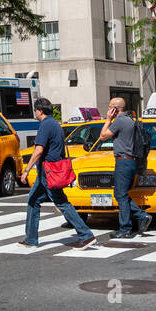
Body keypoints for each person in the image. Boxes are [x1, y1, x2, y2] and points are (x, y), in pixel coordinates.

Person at [20, 98, 97, 249]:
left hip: (49, 172)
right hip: (51, 170)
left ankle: (86, 235)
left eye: (35, 110)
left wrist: (27, 169)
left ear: (40, 111)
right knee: (33, 201)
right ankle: (30, 239)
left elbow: (39, 150)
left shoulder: (45, 125)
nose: (34, 112)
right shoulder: (55, 124)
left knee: (61, 202)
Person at [98, 97, 150, 239]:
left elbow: (103, 136)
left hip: (123, 162)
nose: (108, 110)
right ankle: (141, 216)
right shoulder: (129, 120)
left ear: (115, 109)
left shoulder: (120, 121)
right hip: (129, 161)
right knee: (120, 194)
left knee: (120, 194)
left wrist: (108, 119)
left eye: (110, 107)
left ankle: (126, 228)